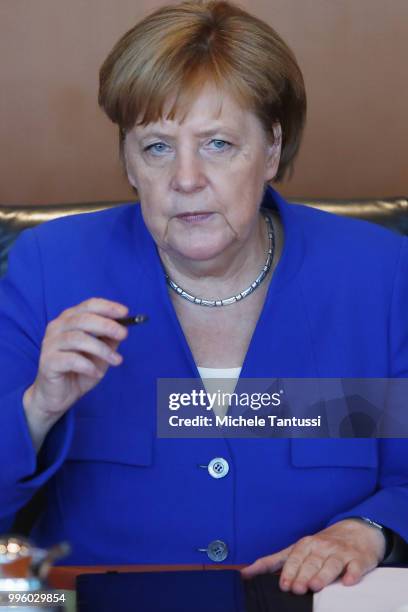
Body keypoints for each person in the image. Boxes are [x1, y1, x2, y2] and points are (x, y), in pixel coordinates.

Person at [0, 0, 407, 596]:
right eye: (157, 147)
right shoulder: (50, 267)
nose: (185, 179)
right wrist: (38, 407)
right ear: (129, 163)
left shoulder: (379, 274)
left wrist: (370, 530)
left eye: (217, 143)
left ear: (272, 149)